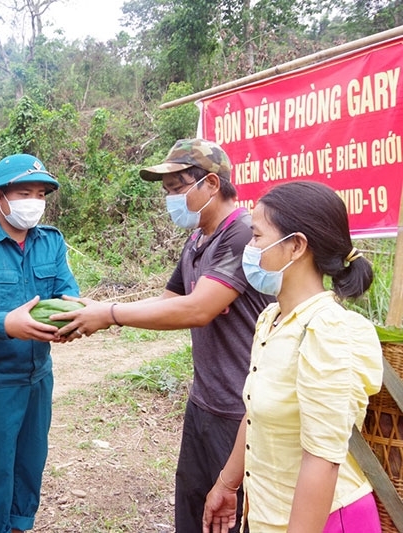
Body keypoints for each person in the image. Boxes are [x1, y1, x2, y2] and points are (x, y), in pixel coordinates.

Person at [51, 138, 274, 532]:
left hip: (240, 411)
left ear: (210, 184)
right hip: (203, 401)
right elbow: (168, 300)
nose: (170, 199)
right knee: (193, 512)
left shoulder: (240, 235)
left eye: (177, 188)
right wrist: (91, 309)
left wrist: (110, 315)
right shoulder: (197, 239)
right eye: (167, 191)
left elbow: (198, 308)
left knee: (231, 517)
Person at [202, 181, 383, 532]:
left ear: (296, 246)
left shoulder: (328, 331)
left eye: (256, 236)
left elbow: (323, 461)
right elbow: (257, 412)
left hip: (326, 521)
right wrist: (228, 483)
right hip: (271, 517)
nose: (249, 248)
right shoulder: (272, 319)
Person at [0, 153, 80, 533]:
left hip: (39, 375)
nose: (34, 202)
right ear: (0, 197)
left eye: (41, 194)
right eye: (25, 192)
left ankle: (21, 526)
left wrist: (75, 317)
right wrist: (9, 323)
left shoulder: (51, 242)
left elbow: (66, 292)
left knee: (31, 461)